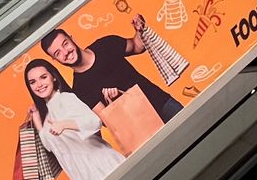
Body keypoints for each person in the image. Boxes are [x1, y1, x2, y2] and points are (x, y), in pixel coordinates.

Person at [43, 15, 182, 122]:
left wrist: (139, 29)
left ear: (72, 39)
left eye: (65, 44)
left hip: (162, 103)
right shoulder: (80, 89)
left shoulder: (105, 45)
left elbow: (136, 46)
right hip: (142, 126)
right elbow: (108, 121)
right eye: (58, 53)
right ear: (55, 59)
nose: (65, 52)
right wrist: (116, 102)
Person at [23, 57, 125, 180]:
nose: (39, 84)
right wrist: (37, 119)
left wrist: (65, 124)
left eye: (43, 77)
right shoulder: (47, 114)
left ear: (53, 77)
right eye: (33, 82)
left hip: (102, 165)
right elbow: (50, 146)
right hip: (83, 177)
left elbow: (94, 121)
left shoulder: (66, 98)